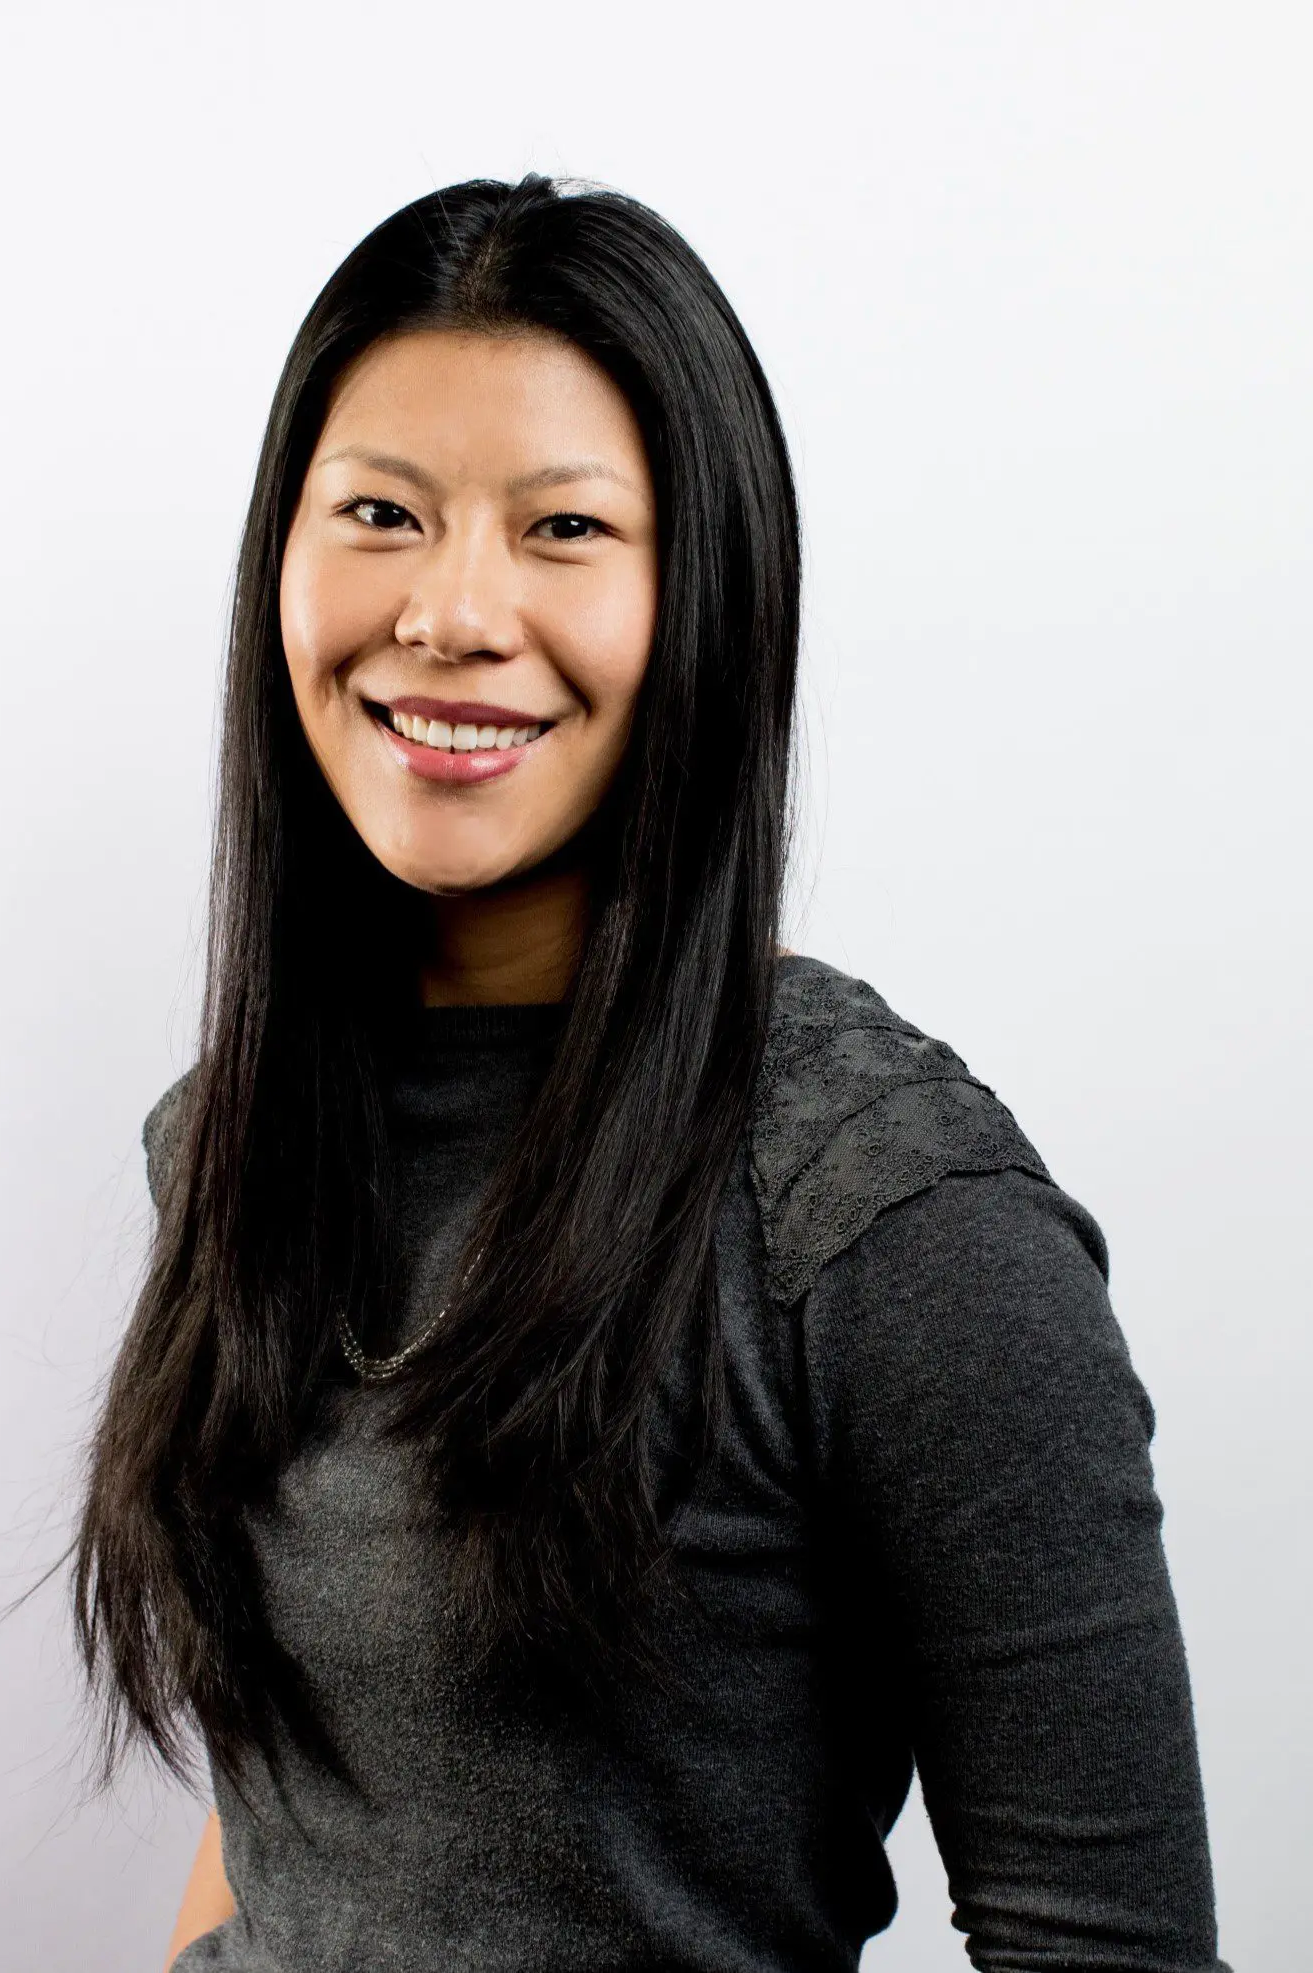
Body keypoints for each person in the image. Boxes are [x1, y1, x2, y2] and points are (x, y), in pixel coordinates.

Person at [72, 175, 1230, 1972]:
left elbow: (1112, 1947)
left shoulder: (886, 1216)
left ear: (705, 599)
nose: (452, 612)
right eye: (381, 510)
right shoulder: (231, 1137)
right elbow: (286, 1807)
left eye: (563, 530)